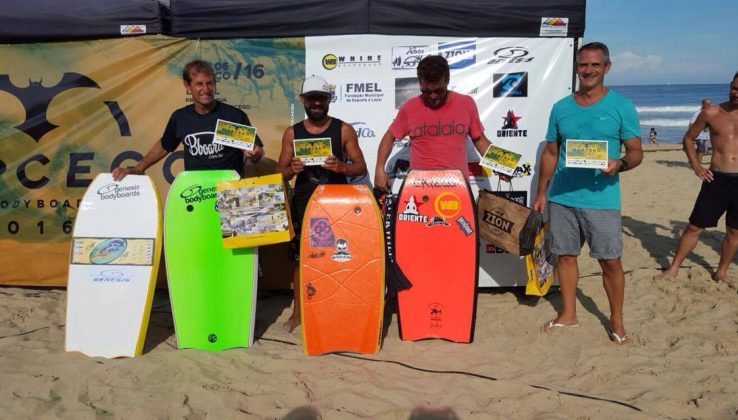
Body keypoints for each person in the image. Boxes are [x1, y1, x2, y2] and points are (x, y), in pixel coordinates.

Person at [532, 42, 643, 345]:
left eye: (595, 65)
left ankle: (617, 321)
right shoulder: (561, 107)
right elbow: (551, 152)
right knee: (565, 257)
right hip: (563, 197)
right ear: (577, 68)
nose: (589, 70)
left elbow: (636, 152)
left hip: (602, 200)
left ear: (607, 67)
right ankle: (568, 314)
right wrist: (541, 192)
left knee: (610, 261)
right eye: (583, 65)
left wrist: (619, 164)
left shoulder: (622, 107)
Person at [277, 75, 367, 332]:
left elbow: (361, 166)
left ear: (329, 99)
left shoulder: (343, 129)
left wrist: (342, 167)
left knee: (337, 256)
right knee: (301, 258)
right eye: (312, 97)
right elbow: (280, 170)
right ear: (302, 99)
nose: (317, 102)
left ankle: (336, 307)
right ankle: (298, 314)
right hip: (305, 203)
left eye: (322, 97)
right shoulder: (293, 132)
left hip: (336, 204)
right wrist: (291, 169)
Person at [655, 68, 738, 286]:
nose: (737, 93)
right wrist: (695, 165)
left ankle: (721, 272)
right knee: (695, 226)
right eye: (735, 88)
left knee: (735, 230)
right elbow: (688, 139)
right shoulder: (712, 113)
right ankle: (674, 267)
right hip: (716, 179)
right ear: (729, 86)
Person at [112, 60, 264, 181]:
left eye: (209, 83)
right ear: (187, 86)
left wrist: (256, 153)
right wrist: (139, 167)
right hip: (196, 193)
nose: (206, 89)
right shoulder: (180, 118)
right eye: (199, 84)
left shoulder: (233, 116)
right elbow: (165, 145)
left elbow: (256, 152)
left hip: (230, 191)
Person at [373, 55, 493, 190]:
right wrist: (379, 169)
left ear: (447, 80)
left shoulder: (466, 104)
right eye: (427, 91)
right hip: (419, 187)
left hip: (457, 187)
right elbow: (389, 137)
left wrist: (504, 166)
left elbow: (480, 140)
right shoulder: (410, 107)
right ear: (420, 83)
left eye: (439, 90)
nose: (433, 96)